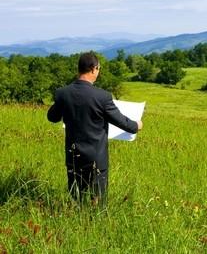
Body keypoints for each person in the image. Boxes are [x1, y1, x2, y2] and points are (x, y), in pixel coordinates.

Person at [47, 52, 142, 205]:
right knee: (98, 201)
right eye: (98, 69)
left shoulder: (63, 94)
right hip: (96, 159)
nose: (98, 72)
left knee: (76, 199)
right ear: (93, 69)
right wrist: (136, 125)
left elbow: (52, 117)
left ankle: (76, 221)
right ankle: (95, 223)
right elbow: (123, 123)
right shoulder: (103, 96)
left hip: (73, 156)